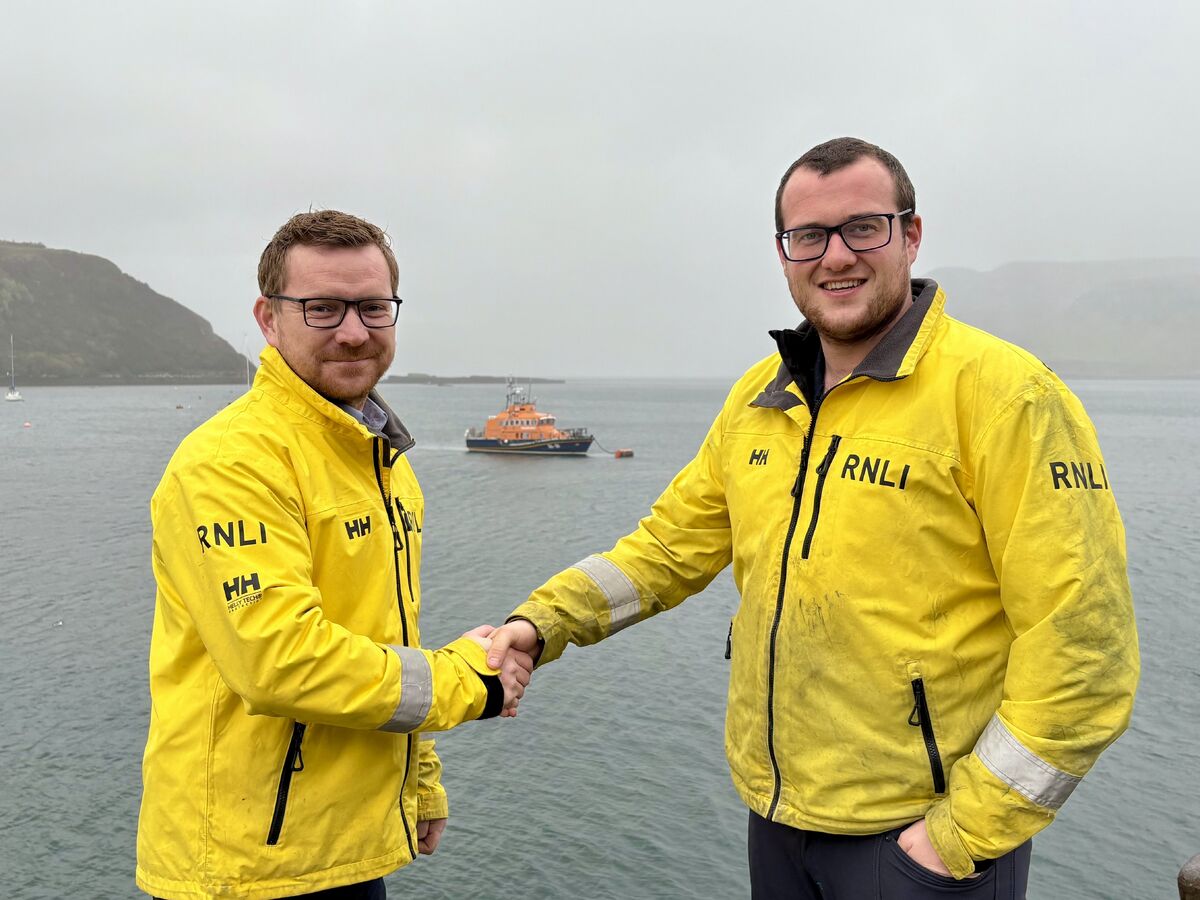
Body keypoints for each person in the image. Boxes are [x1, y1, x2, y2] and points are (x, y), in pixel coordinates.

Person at [485, 138, 1139, 898]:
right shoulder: (760, 398)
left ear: (911, 235)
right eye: (810, 236)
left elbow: (1084, 649)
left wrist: (959, 837)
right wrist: (541, 623)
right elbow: (665, 551)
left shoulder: (1007, 397)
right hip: (779, 819)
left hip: (920, 840)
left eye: (864, 227)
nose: (836, 256)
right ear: (783, 253)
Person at [136, 210, 531, 899]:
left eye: (373, 307)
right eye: (322, 308)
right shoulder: (230, 463)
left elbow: (385, 635)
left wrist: (420, 779)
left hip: (345, 847)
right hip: (246, 867)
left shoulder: (380, 462)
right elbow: (279, 661)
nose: (353, 331)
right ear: (268, 318)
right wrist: (468, 681)